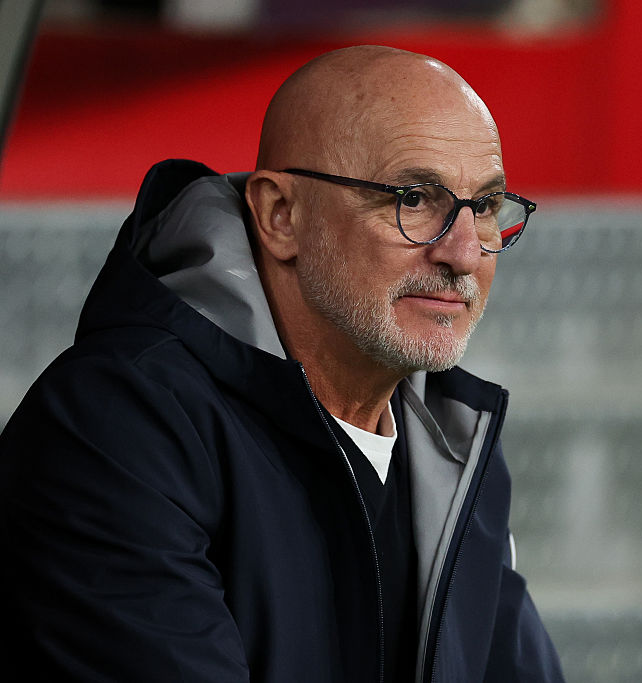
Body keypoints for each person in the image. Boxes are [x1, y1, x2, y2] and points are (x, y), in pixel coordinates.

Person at [0, 45, 563, 682]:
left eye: (484, 206)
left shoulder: (456, 447)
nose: (463, 253)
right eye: (413, 199)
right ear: (280, 216)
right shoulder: (115, 428)